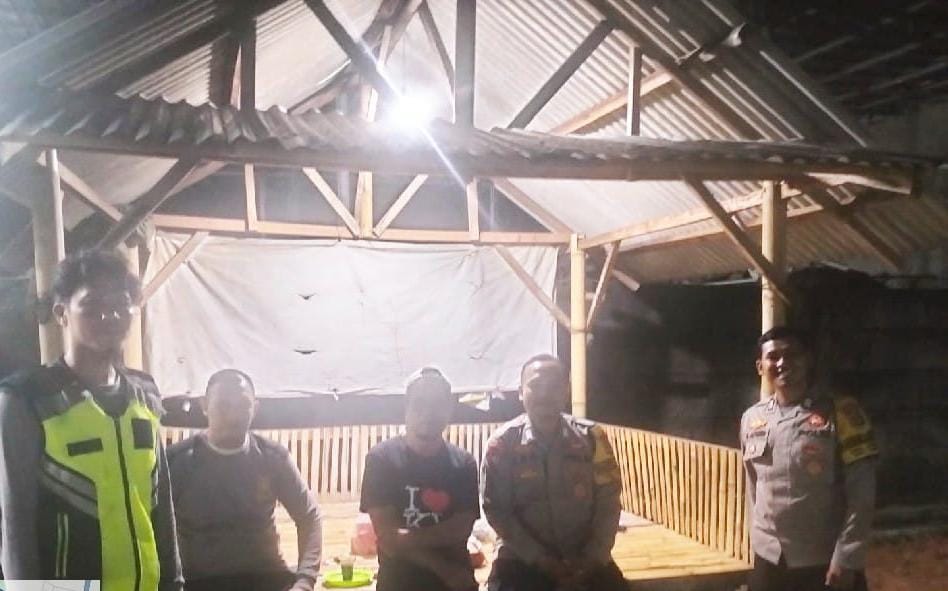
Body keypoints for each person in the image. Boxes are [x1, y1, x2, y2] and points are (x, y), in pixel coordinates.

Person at [0, 249, 183, 590]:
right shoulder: (29, 398)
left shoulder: (144, 394)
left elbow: (161, 504)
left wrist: (174, 582)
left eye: (121, 303)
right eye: (92, 304)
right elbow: (14, 524)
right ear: (62, 313)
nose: (110, 314)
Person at [742, 326, 878, 591]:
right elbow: (752, 488)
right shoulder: (752, 419)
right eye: (773, 357)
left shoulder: (842, 413)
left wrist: (847, 557)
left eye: (792, 355)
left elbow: (862, 494)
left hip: (822, 560)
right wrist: (754, 543)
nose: (782, 363)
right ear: (760, 367)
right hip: (770, 559)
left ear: (807, 361)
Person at [167, 369, 322, 591]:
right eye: (223, 406)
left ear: (255, 409)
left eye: (243, 406)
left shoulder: (272, 458)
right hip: (198, 583)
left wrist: (305, 580)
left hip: (266, 580)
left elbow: (309, 516)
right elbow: (152, 529)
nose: (233, 416)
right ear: (204, 405)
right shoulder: (176, 462)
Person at [482, 354, 625, 591]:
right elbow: (497, 511)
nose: (544, 394)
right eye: (536, 386)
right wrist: (542, 561)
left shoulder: (592, 438)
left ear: (566, 391)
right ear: (521, 392)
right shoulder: (502, 444)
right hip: (522, 559)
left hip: (585, 557)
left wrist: (592, 558)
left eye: (554, 386)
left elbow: (608, 502)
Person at [360, 368, 479, 591]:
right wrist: (443, 568)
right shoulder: (382, 459)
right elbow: (388, 537)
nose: (428, 412)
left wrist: (405, 538)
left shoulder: (463, 463)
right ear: (406, 409)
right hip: (402, 583)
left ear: (449, 410)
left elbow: (461, 528)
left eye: (437, 404)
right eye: (420, 404)